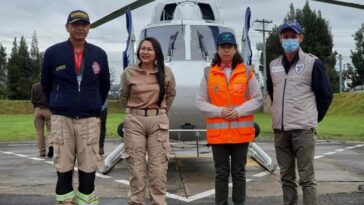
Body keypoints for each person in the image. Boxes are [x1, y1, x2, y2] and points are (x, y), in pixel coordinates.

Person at [41, 10, 110, 205]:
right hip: (62, 117)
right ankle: (65, 201)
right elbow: (45, 84)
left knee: (89, 163)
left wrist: (93, 103)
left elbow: (104, 85)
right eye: (75, 24)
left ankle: (86, 200)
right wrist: (58, 101)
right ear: (67, 27)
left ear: (89, 28)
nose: (80, 28)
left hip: (89, 118)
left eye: (84, 25)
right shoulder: (53, 52)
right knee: (63, 162)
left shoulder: (99, 54)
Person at [267, 21, 333, 205]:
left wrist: (312, 117)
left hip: (303, 131)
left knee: (307, 179)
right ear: (280, 38)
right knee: (286, 178)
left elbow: (325, 95)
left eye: (293, 36)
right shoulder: (273, 65)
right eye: (286, 36)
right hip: (280, 132)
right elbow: (273, 94)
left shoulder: (313, 63)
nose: (289, 40)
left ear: (300, 38)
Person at [196, 32, 263, 205]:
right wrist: (219, 111)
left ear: (235, 49)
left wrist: (239, 111)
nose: (226, 50)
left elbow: (258, 99)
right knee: (221, 173)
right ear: (217, 50)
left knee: (239, 173)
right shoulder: (208, 73)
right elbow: (200, 102)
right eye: (223, 47)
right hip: (218, 136)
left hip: (241, 133)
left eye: (229, 47)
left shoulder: (247, 72)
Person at [119, 37, 176, 205]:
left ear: (156, 52)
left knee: (158, 169)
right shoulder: (129, 72)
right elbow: (123, 96)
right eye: (142, 48)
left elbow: (171, 94)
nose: (145, 52)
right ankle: (136, 202)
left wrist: (161, 112)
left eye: (149, 49)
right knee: (136, 169)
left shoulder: (166, 72)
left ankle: (158, 202)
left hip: (158, 121)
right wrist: (132, 111)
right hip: (134, 121)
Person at [31, 80, 52, 157]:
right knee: (51, 130)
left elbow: (32, 100)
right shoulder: (50, 85)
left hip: (37, 110)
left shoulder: (34, 86)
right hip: (48, 109)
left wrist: (36, 109)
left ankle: (42, 151)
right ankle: (51, 145)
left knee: (39, 132)